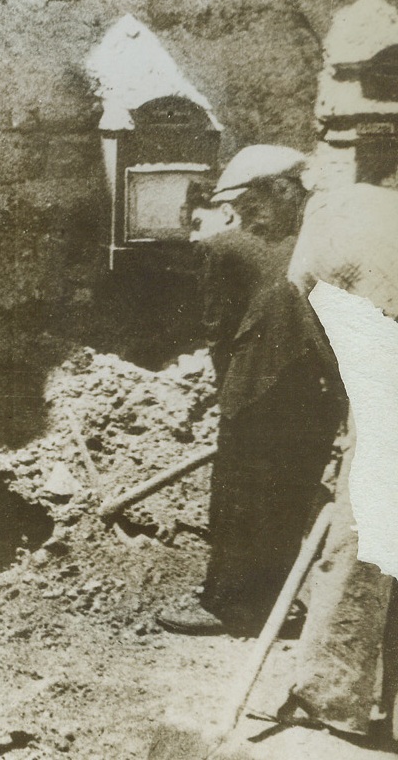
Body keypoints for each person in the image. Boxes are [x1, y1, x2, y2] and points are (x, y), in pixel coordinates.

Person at [158, 145, 347, 636]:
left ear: (284, 193)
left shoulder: (225, 249)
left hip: (258, 390)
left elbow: (217, 329)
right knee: (286, 497)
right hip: (319, 396)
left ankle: (229, 607)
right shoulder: (324, 243)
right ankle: (272, 603)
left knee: (237, 497)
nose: (245, 215)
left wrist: (230, 394)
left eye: (254, 203)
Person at [270, 181, 398, 742]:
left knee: (359, 545)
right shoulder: (376, 209)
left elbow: (314, 320)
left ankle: (330, 693)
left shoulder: (327, 223)